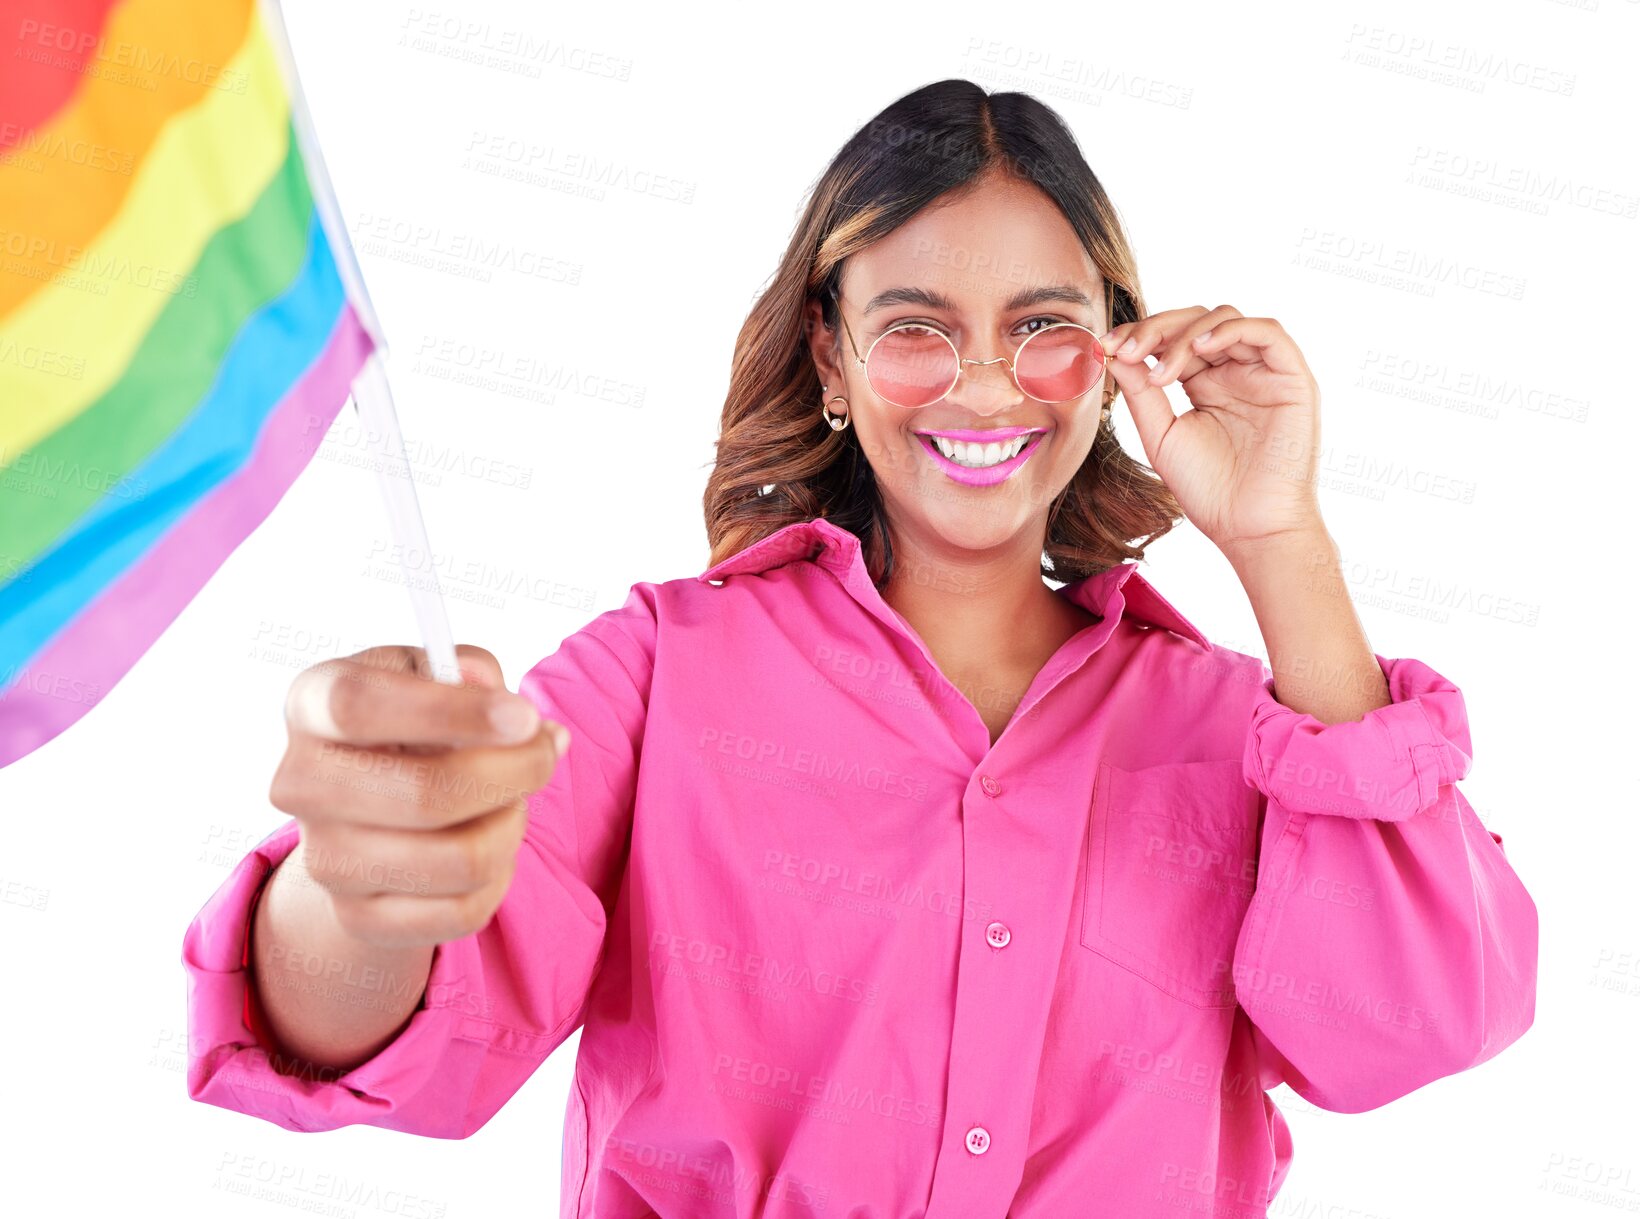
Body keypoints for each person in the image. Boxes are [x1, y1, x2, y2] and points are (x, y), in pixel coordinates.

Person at [182, 79, 1538, 1216]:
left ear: (1118, 351)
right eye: (917, 333)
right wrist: (357, 891)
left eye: (1045, 329)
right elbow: (395, 1027)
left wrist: (1278, 542)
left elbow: (1415, 1027)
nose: (989, 386)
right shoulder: (658, 675)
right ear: (829, 360)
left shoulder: (1237, 731)